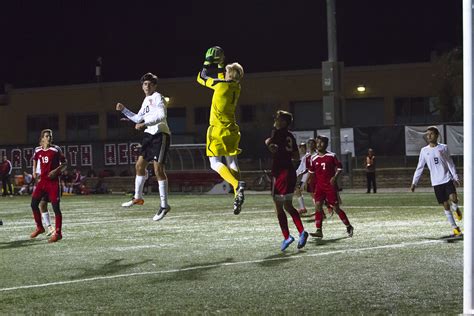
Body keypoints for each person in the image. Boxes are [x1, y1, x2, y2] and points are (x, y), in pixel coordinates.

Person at [197, 46, 246, 214]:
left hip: (218, 130)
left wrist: (207, 61)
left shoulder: (220, 86)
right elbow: (221, 78)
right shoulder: (235, 87)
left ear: (228, 75)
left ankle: (236, 185)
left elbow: (200, 78)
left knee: (214, 163)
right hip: (232, 129)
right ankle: (236, 197)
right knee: (232, 162)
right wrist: (221, 65)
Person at [117, 72, 172, 221]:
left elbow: (161, 116)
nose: (146, 86)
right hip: (149, 136)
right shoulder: (146, 100)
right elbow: (137, 118)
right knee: (139, 166)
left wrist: (144, 124)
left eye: (149, 84)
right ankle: (138, 198)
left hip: (160, 135)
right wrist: (124, 110)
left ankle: (164, 205)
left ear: (154, 85)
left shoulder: (158, 97)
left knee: (158, 170)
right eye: (144, 84)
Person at [265, 110, 308, 251]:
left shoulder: (276, 133)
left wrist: (268, 143)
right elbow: (296, 155)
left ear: (283, 121)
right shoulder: (290, 136)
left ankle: (287, 236)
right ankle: (302, 232)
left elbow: (272, 147)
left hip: (280, 172)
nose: (275, 120)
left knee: (278, 207)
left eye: (277, 118)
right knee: (288, 205)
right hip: (290, 171)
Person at [410, 126, 462, 236]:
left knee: (454, 198)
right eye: (427, 134)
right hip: (436, 182)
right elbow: (420, 167)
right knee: (445, 205)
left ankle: (456, 208)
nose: (428, 136)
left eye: (431, 134)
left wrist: (456, 177)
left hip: (447, 178)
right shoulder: (424, 151)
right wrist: (414, 182)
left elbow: (450, 163)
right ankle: (455, 228)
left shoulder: (443, 148)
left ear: (437, 135)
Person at [308, 136, 354, 238]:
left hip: (330, 187)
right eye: (317, 143)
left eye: (321, 143)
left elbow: (340, 167)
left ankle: (348, 226)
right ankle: (319, 230)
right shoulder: (313, 158)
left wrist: (335, 177)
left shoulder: (331, 156)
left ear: (326, 144)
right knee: (318, 206)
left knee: (336, 208)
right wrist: (307, 184)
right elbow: (311, 173)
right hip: (319, 187)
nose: (319, 144)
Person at [30, 129, 67, 242]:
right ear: (42, 138)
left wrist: (56, 171)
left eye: (50, 136)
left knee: (56, 208)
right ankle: (40, 227)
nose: (49, 138)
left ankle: (58, 233)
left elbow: (65, 164)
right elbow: (35, 160)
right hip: (42, 182)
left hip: (53, 182)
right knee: (33, 204)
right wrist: (34, 171)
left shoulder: (56, 149)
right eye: (47, 136)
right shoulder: (37, 150)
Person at [294, 142, 310, 214]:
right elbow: (300, 169)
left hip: (305, 176)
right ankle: (302, 208)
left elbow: (306, 168)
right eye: (301, 148)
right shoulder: (302, 157)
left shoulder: (307, 156)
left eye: (303, 147)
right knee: (298, 190)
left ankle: (303, 208)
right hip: (303, 177)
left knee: (299, 190)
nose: (302, 149)